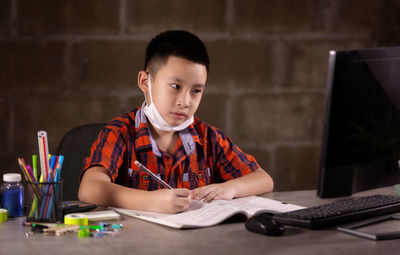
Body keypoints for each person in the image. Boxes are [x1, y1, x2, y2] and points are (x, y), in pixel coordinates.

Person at [78, 30, 274, 214]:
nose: (185, 102)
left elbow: (263, 179)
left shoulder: (208, 138)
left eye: (196, 91)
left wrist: (229, 188)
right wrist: (150, 201)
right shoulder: (120, 132)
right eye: (175, 86)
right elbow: (89, 188)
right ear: (145, 82)